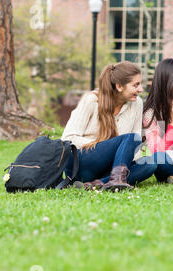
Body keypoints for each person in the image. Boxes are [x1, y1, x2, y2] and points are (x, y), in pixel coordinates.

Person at [61, 62, 157, 191]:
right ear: (119, 86)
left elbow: (136, 142)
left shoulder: (137, 103)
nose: (140, 89)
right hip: (82, 164)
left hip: (109, 167)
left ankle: (98, 184)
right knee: (130, 138)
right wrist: (106, 147)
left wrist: (125, 157)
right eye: (136, 85)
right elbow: (67, 138)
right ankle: (116, 180)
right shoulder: (91, 100)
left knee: (150, 164)